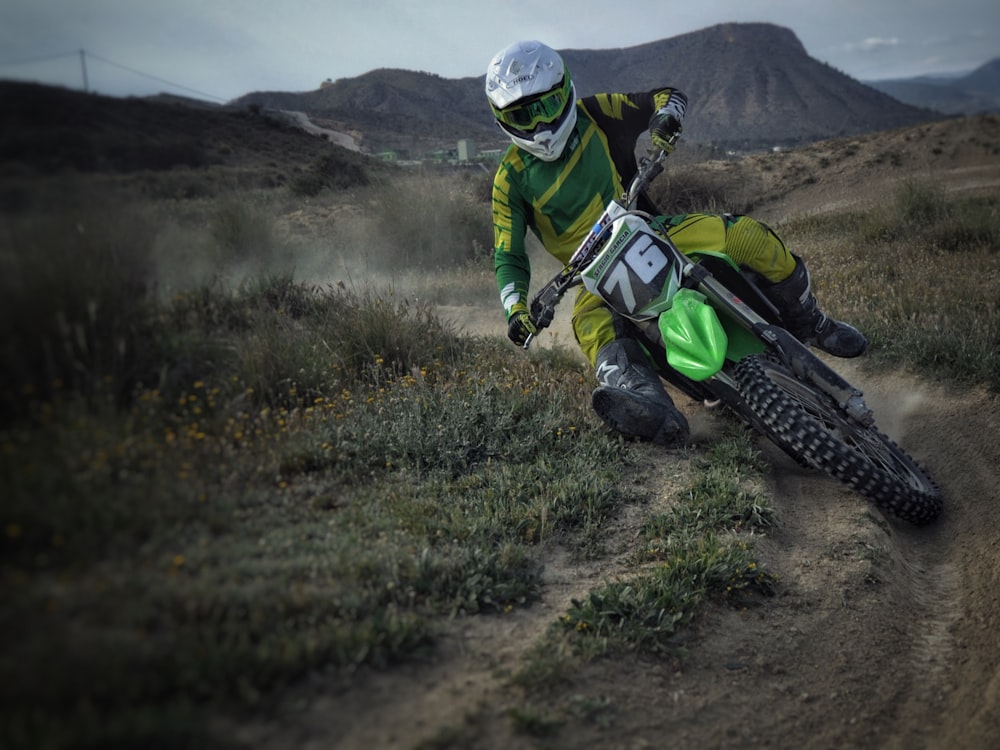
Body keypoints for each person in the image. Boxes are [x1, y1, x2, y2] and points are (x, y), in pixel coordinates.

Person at [486, 40, 867, 447]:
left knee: (742, 234)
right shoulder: (509, 180)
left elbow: (665, 96)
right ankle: (650, 406)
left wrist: (665, 117)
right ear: (502, 118)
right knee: (593, 327)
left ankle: (811, 320)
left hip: (650, 227)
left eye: (547, 105)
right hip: (593, 276)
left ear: (565, 90)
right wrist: (515, 309)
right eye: (524, 115)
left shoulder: (595, 113)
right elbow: (507, 253)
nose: (541, 124)